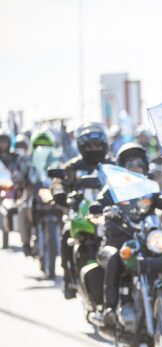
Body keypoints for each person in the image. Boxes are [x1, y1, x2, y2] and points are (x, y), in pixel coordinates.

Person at [97, 143, 162, 330]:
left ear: (145, 165)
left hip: (146, 238)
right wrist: (100, 207)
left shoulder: (148, 188)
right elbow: (100, 202)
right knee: (114, 259)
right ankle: (110, 309)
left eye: (139, 162)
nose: (135, 166)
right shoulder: (113, 188)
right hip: (119, 238)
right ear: (122, 166)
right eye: (130, 163)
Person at [52, 122, 114, 299]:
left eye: (97, 145)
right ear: (81, 147)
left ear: (104, 146)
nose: (93, 149)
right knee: (66, 235)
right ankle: (68, 281)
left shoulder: (113, 165)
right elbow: (58, 182)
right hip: (80, 212)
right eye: (89, 146)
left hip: (109, 212)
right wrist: (59, 192)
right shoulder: (72, 167)